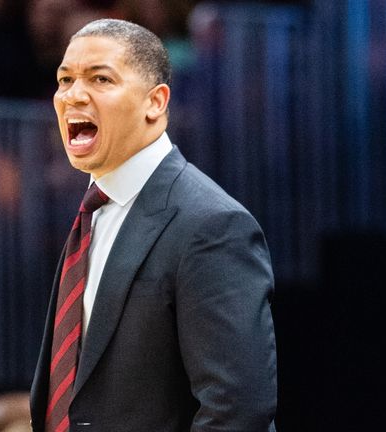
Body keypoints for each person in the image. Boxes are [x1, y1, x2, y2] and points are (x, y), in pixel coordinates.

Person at [30, 19, 277, 432]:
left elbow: (238, 412)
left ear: (155, 102)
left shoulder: (212, 225)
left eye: (100, 78)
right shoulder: (93, 212)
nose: (73, 95)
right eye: (65, 79)